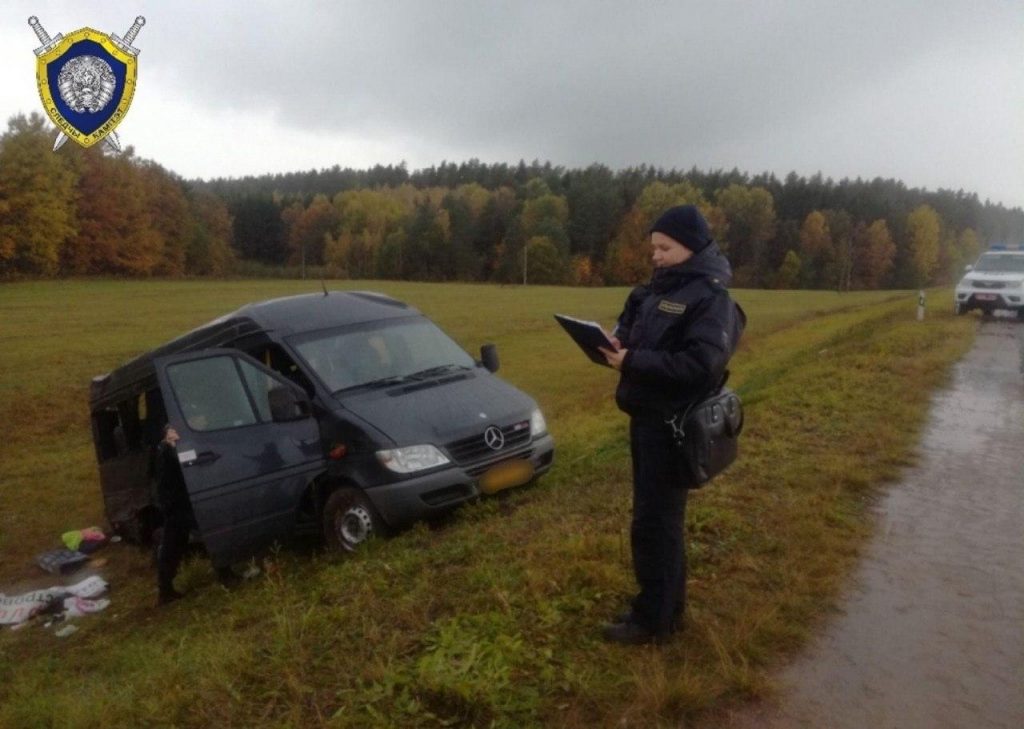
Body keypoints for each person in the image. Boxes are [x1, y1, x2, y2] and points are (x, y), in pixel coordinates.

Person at [599, 204, 745, 645]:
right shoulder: (651, 292)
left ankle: (653, 622)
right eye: (653, 248)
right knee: (654, 520)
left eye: (665, 247)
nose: (656, 256)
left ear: (692, 246)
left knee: (656, 523)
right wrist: (615, 342)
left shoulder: (711, 299)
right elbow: (633, 332)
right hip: (644, 419)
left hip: (674, 427)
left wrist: (632, 361)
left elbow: (699, 365)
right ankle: (665, 610)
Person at [153, 424, 195, 605]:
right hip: (175, 507)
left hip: (178, 505)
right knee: (172, 546)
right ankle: (165, 590)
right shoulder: (166, 451)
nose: (177, 436)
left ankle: (166, 589)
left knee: (175, 545)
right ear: (165, 436)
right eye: (172, 433)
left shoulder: (167, 450)